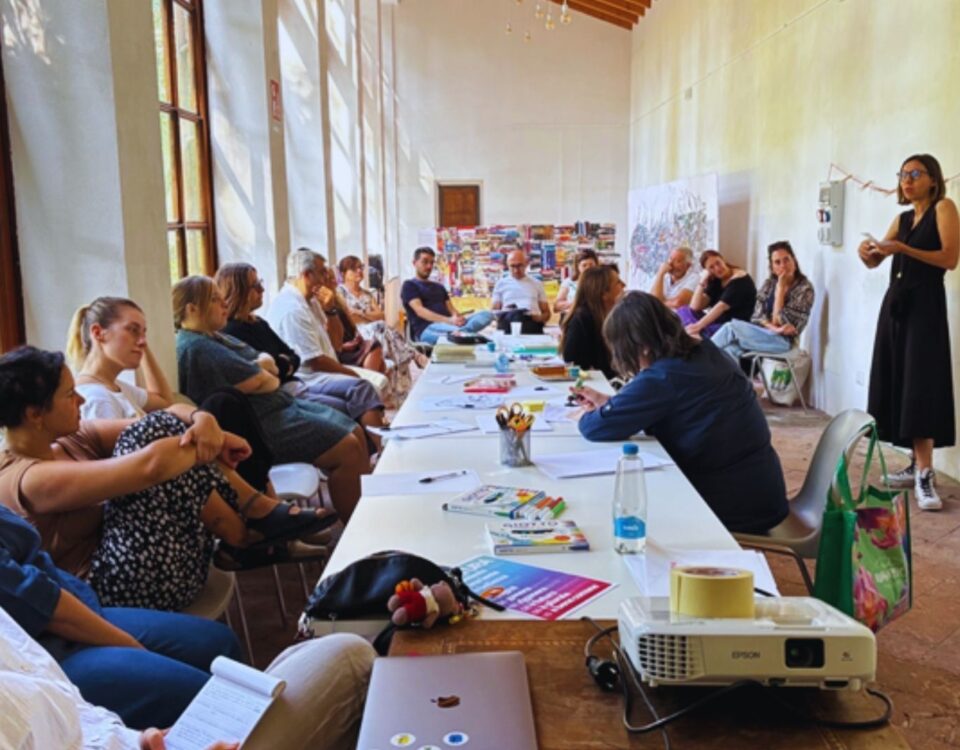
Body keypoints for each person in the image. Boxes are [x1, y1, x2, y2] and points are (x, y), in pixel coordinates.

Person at [0, 347, 334, 610]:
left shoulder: (71, 439)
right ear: (35, 414)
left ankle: (249, 526)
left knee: (176, 421)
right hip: (113, 588)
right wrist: (210, 442)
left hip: (157, 562)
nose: (82, 400)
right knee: (151, 437)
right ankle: (247, 527)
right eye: (70, 394)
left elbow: (170, 412)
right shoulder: (28, 478)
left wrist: (205, 422)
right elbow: (150, 467)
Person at [0, 582, 376, 749]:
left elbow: (65, 709)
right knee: (347, 657)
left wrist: (136, 739)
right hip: (69, 628)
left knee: (242, 662)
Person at [0, 504, 242, 730]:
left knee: (220, 643)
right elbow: (38, 602)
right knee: (210, 703)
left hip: (67, 601)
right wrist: (133, 647)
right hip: (33, 657)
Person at [575, 292, 788, 534]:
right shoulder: (705, 350)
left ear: (642, 346)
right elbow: (672, 406)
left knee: (621, 506)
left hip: (734, 507)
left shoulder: (664, 376)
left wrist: (596, 413)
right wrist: (615, 404)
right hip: (761, 493)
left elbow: (593, 427)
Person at [174, 275, 369, 520]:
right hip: (265, 423)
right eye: (214, 299)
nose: (224, 303)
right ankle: (356, 524)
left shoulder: (217, 336)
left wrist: (266, 368)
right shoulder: (197, 347)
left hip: (280, 406)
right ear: (191, 309)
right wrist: (265, 368)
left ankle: (367, 508)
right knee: (348, 448)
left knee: (355, 430)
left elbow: (271, 366)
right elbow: (264, 378)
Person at [66, 295, 276, 492]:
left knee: (227, 398)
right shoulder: (96, 397)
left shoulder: (116, 386)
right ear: (98, 333)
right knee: (223, 403)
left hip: (170, 477)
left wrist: (142, 347)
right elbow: (121, 471)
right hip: (157, 489)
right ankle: (261, 501)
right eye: (133, 330)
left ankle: (264, 498)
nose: (142, 340)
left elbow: (164, 401)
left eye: (144, 333)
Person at [860, 153, 960, 511]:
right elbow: (876, 260)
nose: (907, 180)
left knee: (922, 383)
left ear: (933, 179)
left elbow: (949, 258)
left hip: (925, 305)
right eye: (903, 174)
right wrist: (866, 252)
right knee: (899, 380)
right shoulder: (902, 219)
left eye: (915, 173)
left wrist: (902, 247)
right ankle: (915, 463)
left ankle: (926, 473)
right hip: (897, 305)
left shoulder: (943, 208)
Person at [216, 262, 387, 449]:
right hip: (287, 391)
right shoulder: (236, 331)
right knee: (349, 406)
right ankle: (376, 451)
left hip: (295, 381)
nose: (262, 289)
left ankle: (379, 450)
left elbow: (295, 356)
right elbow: (280, 369)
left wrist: (330, 310)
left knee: (361, 388)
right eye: (256, 285)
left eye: (261, 283)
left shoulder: (259, 322)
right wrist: (282, 364)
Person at [267, 249, 390, 400]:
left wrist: (331, 310)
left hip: (325, 369)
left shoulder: (312, 300)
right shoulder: (292, 309)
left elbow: (336, 345)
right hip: (310, 379)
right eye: (322, 272)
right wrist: (355, 375)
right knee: (367, 387)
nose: (326, 278)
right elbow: (316, 362)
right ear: (306, 275)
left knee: (380, 380)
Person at [338, 253, 430, 400]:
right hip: (356, 335)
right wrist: (369, 315)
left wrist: (360, 313)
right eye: (354, 269)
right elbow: (349, 317)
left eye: (361, 267)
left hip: (375, 332)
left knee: (383, 331)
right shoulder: (340, 293)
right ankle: (414, 355)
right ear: (343, 273)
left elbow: (381, 315)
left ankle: (395, 392)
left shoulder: (367, 294)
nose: (359, 271)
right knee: (382, 328)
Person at [711, 241, 815, 361]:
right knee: (730, 349)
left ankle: (699, 360)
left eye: (786, 260)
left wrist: (780, 290)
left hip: (784, 343)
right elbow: (757, 316)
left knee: (730, 328)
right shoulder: (769, 284)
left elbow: (782, 324)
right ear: (772, 268)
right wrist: (775, 329)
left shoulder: (805, 289)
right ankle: (728, 374)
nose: (783, 265)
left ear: (794, 261)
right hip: (763, 334)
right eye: (777, 262)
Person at [400, 246, 494, 345]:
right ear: (414, 263)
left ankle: (462, 334)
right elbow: (420, 311)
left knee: (487, 314)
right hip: (428, 328)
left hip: (450, 325)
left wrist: (458, 318)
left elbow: (451, 309)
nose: (429, 266)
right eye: (425, 262)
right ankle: (465, 335)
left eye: (431, 262)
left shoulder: (439, 287)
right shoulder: (409, 285)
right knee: (457, 333)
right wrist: (449, 320)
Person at [559, 265, 624, 380]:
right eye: (618, 283)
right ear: (604, 294)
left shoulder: (612, 316)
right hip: (596, 384)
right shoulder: (582, 319)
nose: (624, 285)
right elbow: (574, 364)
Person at [676, 250, 757, 339]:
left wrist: (698, 326)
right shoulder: (716, 279)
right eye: (711, 267)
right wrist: (702, 281)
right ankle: (698, 335)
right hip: (716, 322)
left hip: (733, 327)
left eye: (718, 263)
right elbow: (694, 307)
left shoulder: (740, 279)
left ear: (723, 260)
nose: (717, 268)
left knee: (697, 327)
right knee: (683, 310)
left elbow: (721, 307)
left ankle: (697, 335)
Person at [491, 248, 552, 334]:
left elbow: (546, 313)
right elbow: (494, 312)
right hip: (507, 324)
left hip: (531, 325)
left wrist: (537, 318)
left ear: (526, 264)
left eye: (520, 266)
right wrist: (506, 313)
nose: (516, 270)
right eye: (512, 266)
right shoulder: (500, 284)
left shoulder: (537, 284)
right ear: (507, 265)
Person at [553, 249, 599, 314]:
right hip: (572, 315)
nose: (588, 268)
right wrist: (574, 304)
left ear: (596, 265)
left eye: (591, 265)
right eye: (584, 265)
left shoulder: (602, 282)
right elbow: (556, 307)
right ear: (578, 267)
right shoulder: (569, 282)